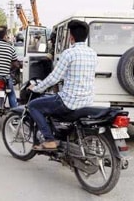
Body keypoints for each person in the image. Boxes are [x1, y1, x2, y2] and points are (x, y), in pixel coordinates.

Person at [26, 20, 97, 150]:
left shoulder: (69, 53)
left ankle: (50, 140)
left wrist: (37, 88)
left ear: (71, 37)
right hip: (87, 101)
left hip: (69, 102)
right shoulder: (92, 53)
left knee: (33, 106)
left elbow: (54, 77)